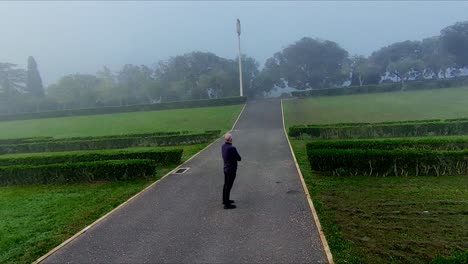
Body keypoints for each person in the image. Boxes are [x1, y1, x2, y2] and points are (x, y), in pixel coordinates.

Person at [221, 132, 241, 209]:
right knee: (228, 186)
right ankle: (227, 204)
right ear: (231, 139)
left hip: (226, 168)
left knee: (225, 185)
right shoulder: (232, 148)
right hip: (231, 169)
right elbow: (239, 158)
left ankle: (225, 200)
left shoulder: (223, 146)